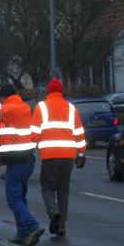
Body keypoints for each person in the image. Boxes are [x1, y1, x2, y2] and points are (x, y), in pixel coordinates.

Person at [30, 77, 86, 236]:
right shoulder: (71, 108)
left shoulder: (41, 108)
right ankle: (61, 225)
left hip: (49, 155)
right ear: (61, 91)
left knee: (48, 187)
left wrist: (31, 151)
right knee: (63, 189)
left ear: (48, 92)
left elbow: (34, 134)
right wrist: (80, 154)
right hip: (68, 155)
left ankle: (53, 211)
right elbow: (79, 134)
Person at [0, 83, 44, 246]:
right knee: (20, 198)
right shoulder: (21, 106)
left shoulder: (9, 108)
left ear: (3, 96)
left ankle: (33, 225)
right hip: (25, 161)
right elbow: (10, 136)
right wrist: (2, 155)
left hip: (17, 163)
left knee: (13, 199)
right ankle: (22, 233)